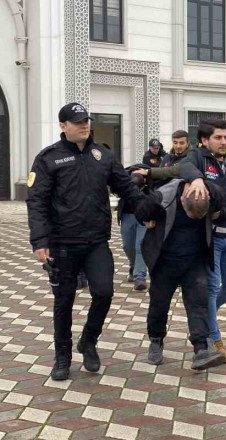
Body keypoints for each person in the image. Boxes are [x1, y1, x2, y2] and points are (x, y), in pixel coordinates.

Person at [26, 102, 148, 381]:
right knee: (64, 301)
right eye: (77, 121)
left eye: (86, 121)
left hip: (96, 242)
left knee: (104, 293)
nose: (84, 125)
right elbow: (36, 202)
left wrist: (148, 210)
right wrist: (39, 241)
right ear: (63, 126)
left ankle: (88, 340)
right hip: (63, 243)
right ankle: (62, 356)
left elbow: (126, 188)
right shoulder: (49, 159)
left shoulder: (102, 155)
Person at [133, 178, 226, 370]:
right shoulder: (162, 197)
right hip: (164, 262)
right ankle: (156, 340)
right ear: (183, 200)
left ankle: (201, 348)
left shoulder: (210, 193)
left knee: (198, 305)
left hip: (194, 261)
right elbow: (139, 210)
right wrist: (145, 220)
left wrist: (203, 183)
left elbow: (225, 199)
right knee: (159, 305)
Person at [178, 119, 226, 361]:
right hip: (210, 239)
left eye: (225, 137)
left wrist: (225, 211)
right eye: (218, 137)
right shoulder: (198, 158)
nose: (223, 142)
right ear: (204, 140)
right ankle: (214, 338)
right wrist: (197, 179)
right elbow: (184, 169)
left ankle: (207, 314)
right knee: (210, 289)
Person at [116, 163, 151, 291]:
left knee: (140, 245)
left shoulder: (150, 179)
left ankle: (139, 277)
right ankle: (133, 265)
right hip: (127, 215)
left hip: (144, 217)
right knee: (127, 245)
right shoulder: (124, 177)